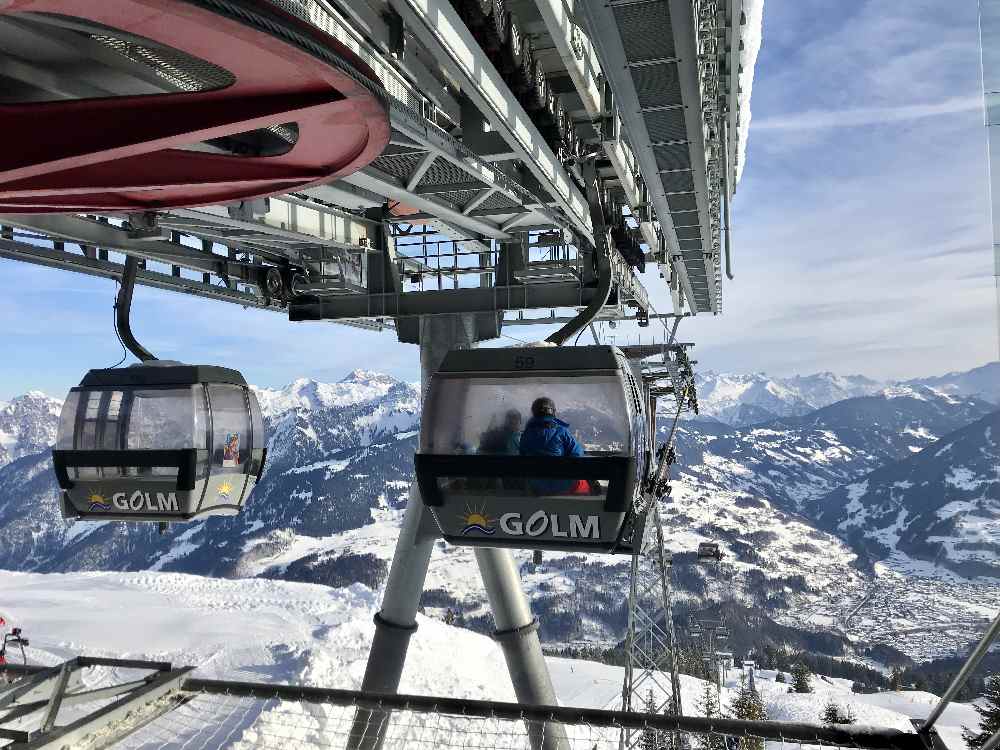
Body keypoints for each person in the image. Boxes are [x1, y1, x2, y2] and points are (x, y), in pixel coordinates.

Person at [519, 397, 586, 494]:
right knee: (584, 484)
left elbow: (523, 455)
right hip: (563, 485)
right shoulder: (562, 431)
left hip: (536, 485)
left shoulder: (526, 434)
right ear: (553, 412)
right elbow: (577, 453)